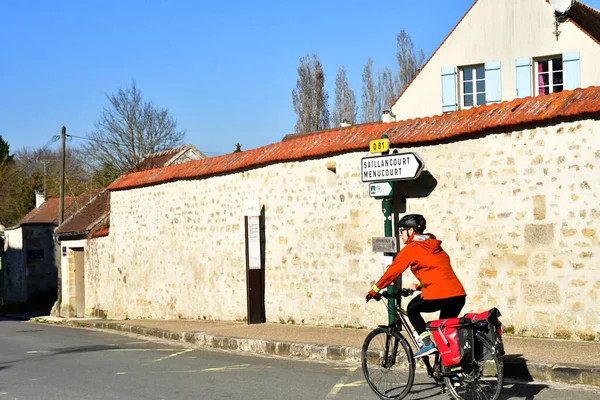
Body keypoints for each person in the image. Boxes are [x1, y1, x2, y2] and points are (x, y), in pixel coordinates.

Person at [366, 214, 467, 358]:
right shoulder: (435, 246)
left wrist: (374, 290)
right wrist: (420, 286)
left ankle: (426, 344)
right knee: (443, 331)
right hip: (458, 295)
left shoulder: (412, 248)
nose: (400, 234)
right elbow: (438, 271)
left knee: (412, 309)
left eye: (402, 230)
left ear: (411, 231)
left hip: (438, 294)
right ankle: (451, 373)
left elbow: (393, 272)